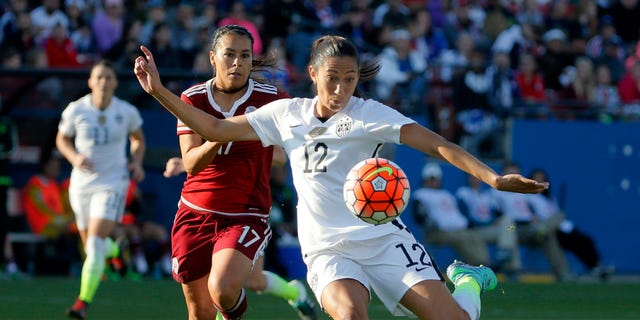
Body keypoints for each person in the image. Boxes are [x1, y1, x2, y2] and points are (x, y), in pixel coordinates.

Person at [135, 34, 548, 320]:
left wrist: (493, 178)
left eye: (349, 80)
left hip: (384, 239)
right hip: (328, 249)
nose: (341, 89)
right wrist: (157, 92)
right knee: (350, 314)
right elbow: (216, 130)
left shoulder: (369, 115)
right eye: (332, 78)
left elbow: (436, 144)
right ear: (314, 75)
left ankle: (468, 281)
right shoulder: (287, 113)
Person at [148, 25, 316, 320]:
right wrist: (221, 135)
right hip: (194, 212)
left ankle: (293, 294)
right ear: (213, 58)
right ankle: (293, 293)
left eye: (245, 55)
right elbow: (192, 164)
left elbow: (282, 154)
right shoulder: (193, 99)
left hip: (245, 213)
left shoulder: (273, 100)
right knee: (200, 312)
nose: (237, 62)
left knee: (224, 288)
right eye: (230, 54)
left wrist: (256, 144)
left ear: (252, 60)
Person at [56, 59, 146, 319]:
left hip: (113, 181)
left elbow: (138, 138)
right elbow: (62, 138)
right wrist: (74, 158)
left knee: (94, 244)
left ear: (115, 82)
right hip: (82, 183)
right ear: (90, 82)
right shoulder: (77, 109)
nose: (104, 82)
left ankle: (82, 303)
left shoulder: (126, 111)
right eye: (99, 77)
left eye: (108, 77)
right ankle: (116, 249)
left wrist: (136, 162)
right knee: (91, 246)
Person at [489, 162, 572, 282]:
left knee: (548, 234)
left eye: (516, 173)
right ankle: (510, 263)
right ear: (502, 174)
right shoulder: (496, 192)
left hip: (530, 228)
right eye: (509, 173)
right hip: (513, 227)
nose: (513, 176)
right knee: (508, 224)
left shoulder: (526, 192)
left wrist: (535, 217)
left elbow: (538, 210)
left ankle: (563, 273)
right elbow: (494, 211)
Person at [528, 168, 613, 280]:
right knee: (572, 238)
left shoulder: (550, 198)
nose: (539, 181)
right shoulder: (528, 196)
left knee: (586, 240)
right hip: (546, 228)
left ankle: (596, 267)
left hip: (561, 227)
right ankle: (590, 268)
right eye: (536, 178)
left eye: (541, 179)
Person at [412, 162, 493, 268]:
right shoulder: (420, 195)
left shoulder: (446, 194)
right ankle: (479, 264)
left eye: (435, 178)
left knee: (473, 235)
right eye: (431, 178)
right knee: (462, 237)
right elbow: (419, 217)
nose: (433, 181)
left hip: (457, 229)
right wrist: (431, 224)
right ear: (425, 179)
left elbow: (456, 214)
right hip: (436, 232)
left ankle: (485, 263)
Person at [455, 172, 521, 277]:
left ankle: (505, 253)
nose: (475, 180)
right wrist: (489, 222)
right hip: (475, 230)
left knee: (511, 226)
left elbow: (498, 213)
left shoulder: (488, 194)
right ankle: (511, 268)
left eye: (477, 177)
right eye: (472, 177)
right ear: (468, 178)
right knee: (510, 236)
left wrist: (496, 220)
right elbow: (463, 216)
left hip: (490, 230)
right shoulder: (463, 193)